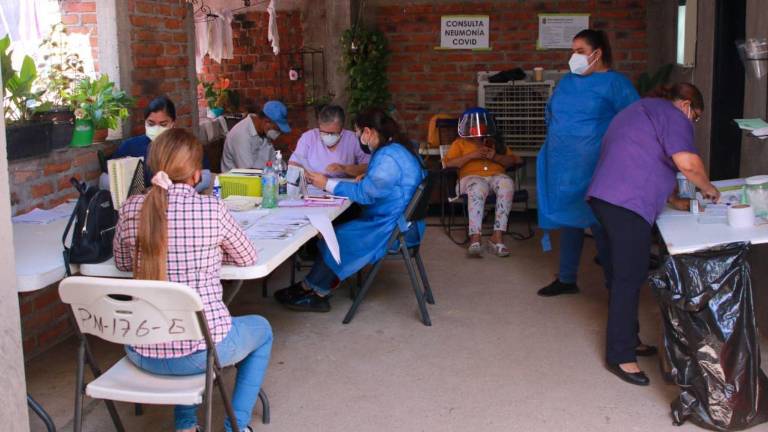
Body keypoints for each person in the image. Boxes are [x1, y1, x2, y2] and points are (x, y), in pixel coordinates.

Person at [113, 128, 272, 432]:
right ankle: (236, 425)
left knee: (182, 322)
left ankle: (186, 426)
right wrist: (212, 255)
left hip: (140, 350)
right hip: (202, 353)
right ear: (197, 173)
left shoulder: (132, 207)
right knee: (261, 330)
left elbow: (122, 263)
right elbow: (247, 257)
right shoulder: (210, 208)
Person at [586, 83, 719, 386]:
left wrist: (674, 200)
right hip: (626, 205)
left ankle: (629, 341)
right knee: (628, 280)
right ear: (686, 104)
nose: (691, 123)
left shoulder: (642, 109)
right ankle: (620, 356)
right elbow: (687, 163)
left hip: (605, 199)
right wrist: (710, 190)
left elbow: (641, 157)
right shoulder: (673, 116)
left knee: (620, 276)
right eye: (694, 117)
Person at [273, 108, 426, 312]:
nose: (357, 137)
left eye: (358, 132)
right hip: (398, 221)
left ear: (368, 132)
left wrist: (327, 184)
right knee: (339, 231)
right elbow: (383, 183)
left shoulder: (388, 156)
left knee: (337, 236)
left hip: (393, 228)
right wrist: (369, 178)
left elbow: (366, 194)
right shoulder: (396, 150)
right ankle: (311, 286)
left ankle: (316, 290)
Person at [536, 29, 639, 297]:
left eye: (580, 51)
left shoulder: (616, 84)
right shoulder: (568, 82)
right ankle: (567, 278)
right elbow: (552, 114)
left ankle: (615, 287)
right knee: (571, 221)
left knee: (602, 225)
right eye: (573, 51)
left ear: (597, 53)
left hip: (598, 166)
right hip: (565, 165)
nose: (574, 57)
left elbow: (634, 123)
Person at [443, 107, 522, 257]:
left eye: (481, 124)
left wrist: (495, 157)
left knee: (506, 183)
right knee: (478, 186)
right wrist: (471, 156)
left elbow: (516, 160)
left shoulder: (496, 143)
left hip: (495, 177)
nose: (477, 128)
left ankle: (497, 237)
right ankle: (475, 239)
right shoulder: (459, 144)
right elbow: (448, 164)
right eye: (473, 124)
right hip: (470, 180)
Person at [105, 96, 212, 192]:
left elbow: (206, 176)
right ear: (145, 122)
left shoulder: (186, 145)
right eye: (151, 124)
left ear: (173, 123)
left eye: (163, 124)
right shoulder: (130, 147)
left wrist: (176, 192)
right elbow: (106, 178)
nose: (156, 128)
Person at [289, 104, 370, 178]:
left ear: (342, 128)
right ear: (319, 125)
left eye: (332, 133)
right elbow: (293, 163)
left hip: (342, 187)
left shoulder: (353, 139)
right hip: (313, 186)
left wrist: (344, 168)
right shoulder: (309, 137)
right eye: (323, 132)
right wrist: (306, 175)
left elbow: (368, 166)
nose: (328, 136)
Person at [221, 100, 291, 172]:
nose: (278, 133)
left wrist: (287, 170)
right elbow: (247, 172)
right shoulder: (242, 135)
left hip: (262, 177)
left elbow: (273, 158)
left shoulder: (262, 132)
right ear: (266, 121)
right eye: (277, 129)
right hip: (237, 180)